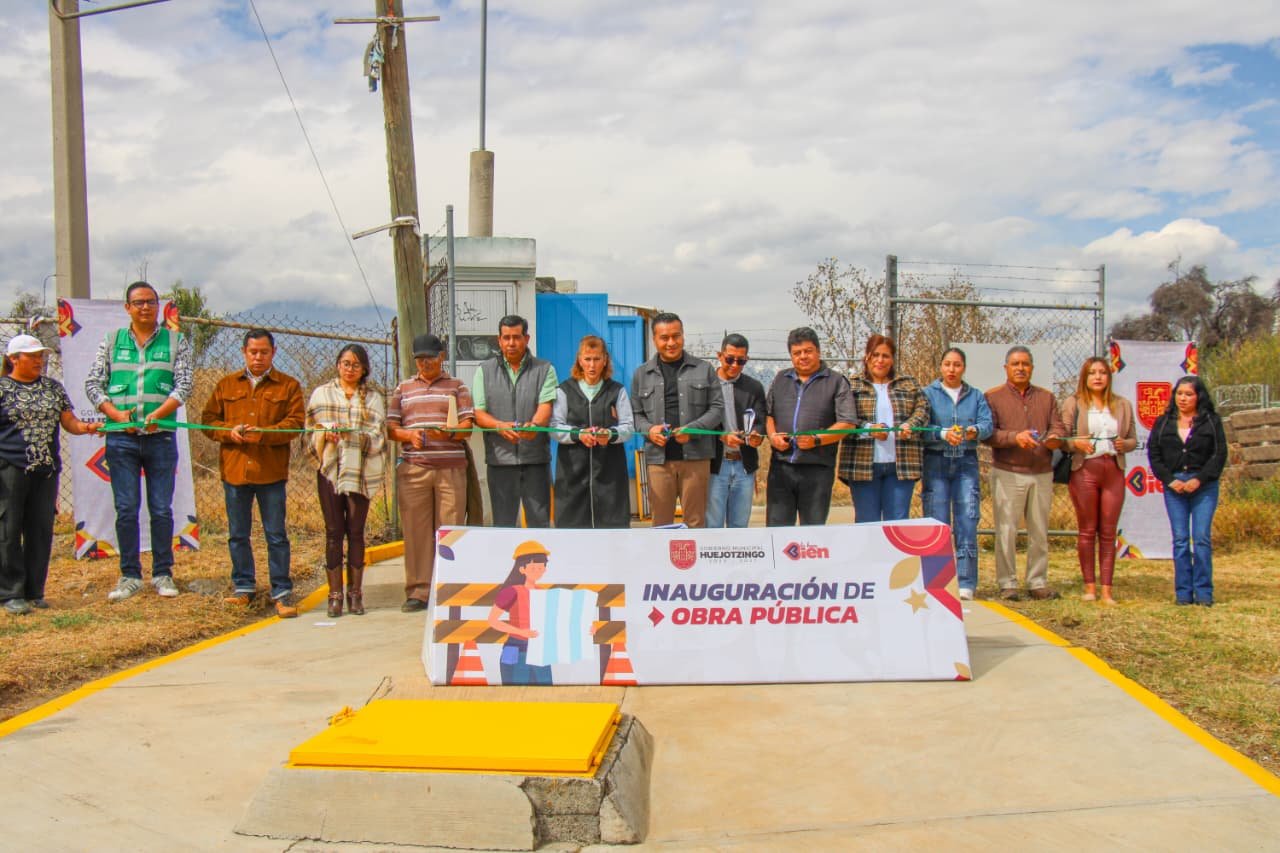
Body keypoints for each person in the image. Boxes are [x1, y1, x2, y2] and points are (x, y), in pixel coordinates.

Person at [84, 281, 193, 602]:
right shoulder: (112, 341)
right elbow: (93, 384)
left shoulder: (176, 341)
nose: (145, 307)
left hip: (160, 438)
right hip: (122, 440)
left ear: (159, 306)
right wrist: (117, 415)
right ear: (127, 308)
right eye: (138, 302)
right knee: (126, 508)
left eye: (151, 302)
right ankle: (129, 575)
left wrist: (158, 414)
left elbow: (184, 385)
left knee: (161, 508)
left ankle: (163, 573)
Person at [200, 329, 305, 618]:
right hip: (235, 472)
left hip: (271, 473)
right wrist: (228, 432)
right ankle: (243, 587)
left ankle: (281, 591)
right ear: (244, 352)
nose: (258, 357)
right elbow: (208, 421)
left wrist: (264, 434)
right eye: (253, 352)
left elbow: (295, 424)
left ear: (274, 353)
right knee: (238, 534)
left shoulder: (289, 386)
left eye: (264, 352)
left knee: (276, 535)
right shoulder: (226, 385)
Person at [1, 335, 101, 615]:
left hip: (45, 470)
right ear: (13, 359)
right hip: (9, 467)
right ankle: (11, 593)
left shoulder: (53, 388)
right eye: (32, 355)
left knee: (40, 530)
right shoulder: (3, 388)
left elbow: (68, 421)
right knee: (8, 530)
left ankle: (35, 591)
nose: (38, 360)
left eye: (40, 355)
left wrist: (86, 428)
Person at [386, 333, 474, 612]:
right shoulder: (403, 388)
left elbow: (467, 426)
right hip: (415, 469)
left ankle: (450, 589)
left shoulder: (457, 386)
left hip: (450, 469)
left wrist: (448, 432)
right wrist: (408, 435)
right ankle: (419, 591)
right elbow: (391, 428)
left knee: (450, 530)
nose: (425, 363)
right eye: (420, 359)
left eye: (431, 358)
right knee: (416, 532)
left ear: (442, 357)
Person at [305, 344, 386, 617]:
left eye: (355, 365)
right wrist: (324, 435)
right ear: (338, 365)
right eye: (345, 363)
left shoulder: (373, 398)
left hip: (360, 470)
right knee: (333, 531)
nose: (350, 369)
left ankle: (355, 594)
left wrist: (353, 435)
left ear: (364, 369)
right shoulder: (321, 394)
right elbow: (310, 430)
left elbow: (378, 435)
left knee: (356, 531)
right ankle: (335, 594)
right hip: (330, 469)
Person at [984, 345, 1067, 601]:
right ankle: (1007, 583)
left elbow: (1058, 427)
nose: (1020, 368)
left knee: (1039, 530)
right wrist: (1014, 437)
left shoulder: (1047, 398)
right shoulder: (993, 397)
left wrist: (1055, 438)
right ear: (1006, 368)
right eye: (1015, 364)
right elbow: (988, 434)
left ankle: (1037, 582)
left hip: (1041, 472)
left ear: (1032, 367)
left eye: (1025, 364)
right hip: (1008, 471)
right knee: (1006, 531)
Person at [631, 312, 723, 527]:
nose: (671, 343)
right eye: (664, 338)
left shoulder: (704, 369)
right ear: (654, 339)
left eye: (676, 336)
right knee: (661, 524)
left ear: (683, 335)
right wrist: (649, 430)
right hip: (658, 460)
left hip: (696, 459)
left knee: (695, 522)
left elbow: (717, 408)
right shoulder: (642, 374)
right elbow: (636, 414)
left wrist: (694, 429)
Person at [1061, 357, 1138, 605]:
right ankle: (1089, 587)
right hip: (1085, 469)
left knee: (1108, 531)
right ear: (1084, 377)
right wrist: (1076, 443)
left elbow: (1133, 439)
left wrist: (1124, 444)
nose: (1097, 377)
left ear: (1109, 377)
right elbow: (1061, 438)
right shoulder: (1074, 403)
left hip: (1113, 468)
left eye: (1102, 372)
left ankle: (1107, 589)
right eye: (1092, 373)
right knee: (1087, 530)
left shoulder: (1123, 404)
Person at [1147, 375, 1227, 607]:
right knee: (1181, 540)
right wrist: (1170, 480)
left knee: (1201, 538)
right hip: (1175, 488)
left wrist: (1199, 479)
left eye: (1188, 394)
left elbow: (1219, 454)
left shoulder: (1211, 421)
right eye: (1179, 394)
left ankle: (1203, 593)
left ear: (1198, 397)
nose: (1183, 398)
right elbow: (1154, 455)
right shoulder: (1163, 422)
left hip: (1203, 487)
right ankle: (1183, 593)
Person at [920, 347, 993, 601]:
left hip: (966, 462)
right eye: (947, 364)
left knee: (967, 520)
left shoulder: (976, 396)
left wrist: (974, 431)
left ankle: (965, 581)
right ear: (941, 366)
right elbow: (921, 426)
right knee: (936, 522)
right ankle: (936, 580)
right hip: (936, 461)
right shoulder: (927, 394)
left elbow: (987, 424)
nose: (952, 369)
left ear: (964, 368)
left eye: (957, 365)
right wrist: (941, 433)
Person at [472, 315, 557, 527]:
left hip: (536, 460)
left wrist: (534, 425)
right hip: (500, 461)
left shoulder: (545, 369)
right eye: (506, 337)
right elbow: (478, 413)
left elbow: (546, 407)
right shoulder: (484, 371)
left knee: (539, 524)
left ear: (526, 339)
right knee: (503, 526)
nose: (511, 343)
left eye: (517, 337)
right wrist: (498, 426)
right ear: (499, 340)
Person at [765, 328, 856, 526]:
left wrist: (817, 439)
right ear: (791, 356)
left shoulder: (836, 381)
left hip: (817, 469)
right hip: (781, 467)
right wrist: (772, 437)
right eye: (797, 353)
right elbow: (769, 415)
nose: (803, 357)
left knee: (812, 531)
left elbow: (847, 422)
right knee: (777, 530)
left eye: (808, 351)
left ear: (818, 351)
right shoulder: (780, 379)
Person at [838, 334, 928, 522]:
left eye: (885, 356)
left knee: (897, 523)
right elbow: (844, 417)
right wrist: (868, 428)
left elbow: (923, 409)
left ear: (892, 359)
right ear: (867, 357)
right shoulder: (851, 384)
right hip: (862, 466)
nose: (880, 360)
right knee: (867, 522)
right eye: (875, 355)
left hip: (901, 466)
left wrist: (909, 425)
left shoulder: (909, 384)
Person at [550, 335, 634, 528]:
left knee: (612, 529)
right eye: (587, 359)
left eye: (597, 359)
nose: (592, 365)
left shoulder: (617, 390)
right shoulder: (564, 390)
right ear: (579, 360)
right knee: (573, 529)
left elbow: (628, 427)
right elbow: (554, 426)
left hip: (609, 473)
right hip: (573, 473)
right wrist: (578, 434)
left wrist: (610, 435)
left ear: (605, 360)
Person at [706, 334, 766, 528]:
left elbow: (761, 420)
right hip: (715, 465)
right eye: (729, 359)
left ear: (747, 359)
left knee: (739, 525)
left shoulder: (754, 387)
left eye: (741, 361)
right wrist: (721, 437)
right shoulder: (706, 385)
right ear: (719, 355)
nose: (734, 365)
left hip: (744, 465)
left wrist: (757, 436)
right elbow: (699, 422)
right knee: (713, 525)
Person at [487, 540, 554, 685]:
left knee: (544, 689)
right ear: (522, 569)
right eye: (533, 568)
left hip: (538, 650)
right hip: (514, 649)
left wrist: (585, 629)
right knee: (514, 688)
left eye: (541, 567)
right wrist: (520, 632)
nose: (538, 571)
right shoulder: (511, 592)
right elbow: (493, 620)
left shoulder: (543, 593)